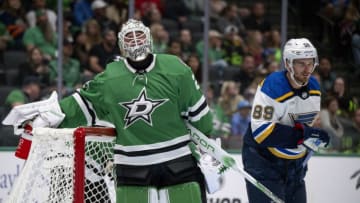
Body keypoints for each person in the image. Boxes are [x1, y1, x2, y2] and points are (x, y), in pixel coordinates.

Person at [4, 19, 213, 203]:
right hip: (168, 160)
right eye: (130, 38)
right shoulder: (174, 67)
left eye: (138, 36)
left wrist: (48, 117)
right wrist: (49, 116)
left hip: (136, 164)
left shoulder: (114, 76)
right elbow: (201, 120)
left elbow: (78, 106)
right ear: (122, 45)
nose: (135, 41)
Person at [242, 38, 330, 203]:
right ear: (288, 64)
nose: (307, 70)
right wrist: (303, 135)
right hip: (263, 159)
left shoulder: (315, 87)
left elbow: (306, 126)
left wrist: (312, 139)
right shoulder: (273, 86)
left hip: (294, 163)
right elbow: (262, 133)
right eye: (301, 64)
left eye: (310, 63)